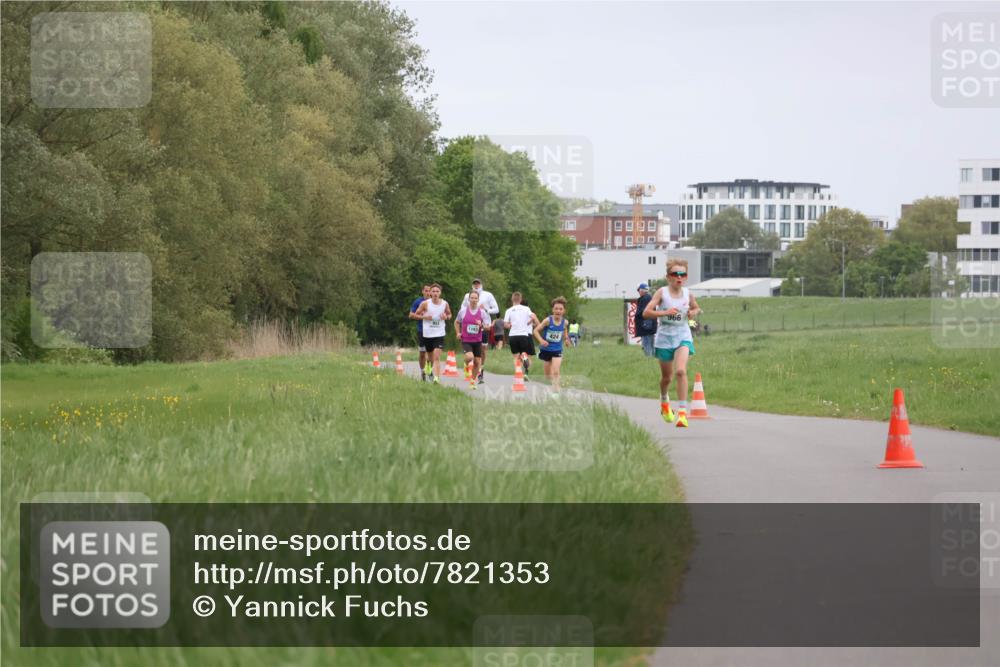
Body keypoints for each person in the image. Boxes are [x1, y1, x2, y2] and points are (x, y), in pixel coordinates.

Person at [643, 260, 701, 428]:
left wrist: (692, 312)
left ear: (686, 277)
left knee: (681, 371)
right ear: (668, 277)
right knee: (667, 378)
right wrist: (664, 312)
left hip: (683, 335)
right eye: (675, 274)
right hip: (664, 338)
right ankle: (664, 401)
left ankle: (682, 413)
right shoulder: (662, 293)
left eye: (683, 274)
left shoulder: (688, 294)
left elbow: (697, 308)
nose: (679, 277)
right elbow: (646, 313)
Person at [461, 279, 500, 383]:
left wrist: (486, 309)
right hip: (470, 326)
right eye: (474, 284)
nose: (476, 285)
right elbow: (462, 308)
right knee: (471, 352)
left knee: (483, 349)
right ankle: (471, 365)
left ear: (481, 285)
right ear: (472, 285)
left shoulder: (488, 295)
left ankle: (480, 370)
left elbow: (496, 309)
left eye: (478, 284)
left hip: (484, 325)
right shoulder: (467, 296)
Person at [412, 283, 451, 383]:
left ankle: (436, 378)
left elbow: (449, 314)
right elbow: (415, 315)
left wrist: (446, 317)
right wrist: (424, 317)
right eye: (433, 291)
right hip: (428, 334)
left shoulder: (444, 304)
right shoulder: (425, 304)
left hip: (439, 333)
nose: (435, 293)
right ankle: (428, 367)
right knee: (430, 357)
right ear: (430, 293)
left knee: (436, 356)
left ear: (440, 293)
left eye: (437, 291)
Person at [455, 291, 491, 389]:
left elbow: (488, 327)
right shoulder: (463, 311)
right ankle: (466, 364)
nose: (474, 300)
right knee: (470, 357)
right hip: (466, 340)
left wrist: (481, 325)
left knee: (477, 362)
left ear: (478, 300)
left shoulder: (482, 312)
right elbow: (457, 322)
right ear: (469, 299)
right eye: (472, 298)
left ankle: (472, 381)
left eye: (476, 298)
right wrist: (458, 333)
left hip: (477, 340)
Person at [534, 296, 569, 395]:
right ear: (553, 310)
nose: (558, 311)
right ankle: (555, 385)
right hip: (546, 350)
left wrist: (566, 339)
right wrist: (541, 340)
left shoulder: (565, 322)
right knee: (548, 376)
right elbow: (535, 331)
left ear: (564, 311)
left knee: (556, 371)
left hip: (557, 350)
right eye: (556, 308)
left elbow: (564, 330)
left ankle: (556, 391)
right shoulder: (548, 321)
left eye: (560, 309)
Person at [504, 292, 539, 377]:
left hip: (513, 336)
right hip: (524, 335)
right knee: (524, 354)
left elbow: (505, 325)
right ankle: (524, 356)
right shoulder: (526, 309)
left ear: (512, 299)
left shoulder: (508, 310)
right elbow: (533, 317)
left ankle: (518, 373)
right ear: (520, 299)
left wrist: (510, 325)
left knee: (516, 356)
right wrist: (532, 322)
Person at [408, 284, 432, 381]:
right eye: (426, 291)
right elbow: (410, 315)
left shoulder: (435, 302)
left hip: (433, 331)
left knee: (431, 352)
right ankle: (422, 371)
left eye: (429, 291)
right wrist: (423, 317)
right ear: (422, 291)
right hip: (422, 330)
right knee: (422, 353)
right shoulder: (418, 302)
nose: (428, 293)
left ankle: (429, 369)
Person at [634, 283, 657, 357]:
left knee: (646, 345)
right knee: (651, 345)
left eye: (638, 290)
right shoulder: (650, 297)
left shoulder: (644, 299)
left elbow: (643, 312)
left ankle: (648, 360)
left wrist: (637, 317)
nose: (638, 292)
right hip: (650, 325)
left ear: (641, 290)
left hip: (646, 326)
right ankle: (653, 359)